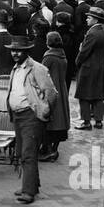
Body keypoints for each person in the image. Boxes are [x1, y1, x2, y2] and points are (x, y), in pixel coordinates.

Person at [3, 34, 59, 204]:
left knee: (28, 152)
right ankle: (31, 184)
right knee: (22, 152)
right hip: (18, 115)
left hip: (31, 115)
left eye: (19, 51)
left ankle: (28, 191)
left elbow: (51, 93)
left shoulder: (37, 68)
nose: (15, 53)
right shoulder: (16, 68)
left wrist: (44, 111)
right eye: (13, 50)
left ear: (26, 52)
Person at [73, 8, 104, 131]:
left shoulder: (92, 33)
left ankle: (86, 122)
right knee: (98, 95)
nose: (87, 19)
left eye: (89, 17)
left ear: (95, 19)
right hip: (100, 66)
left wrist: (77, 62)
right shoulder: (103, 31)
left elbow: (84, 52)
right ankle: (98, 121)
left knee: (84, 95)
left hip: (88, 67)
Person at [39, 30, 71, 162]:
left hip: (50, 90)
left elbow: (42, 73)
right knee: (60, 120)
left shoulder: (49, 57)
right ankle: (54, 148)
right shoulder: (62, 56)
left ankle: (50, 150)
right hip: (61, 90)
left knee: (48, 120)